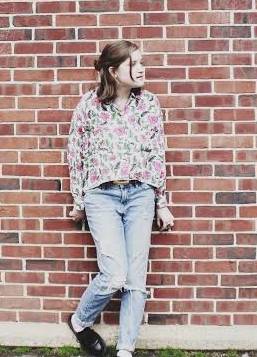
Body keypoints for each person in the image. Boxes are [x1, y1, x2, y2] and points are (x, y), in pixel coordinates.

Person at [65, 40, 175, 357]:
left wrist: (161, 202)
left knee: (136, 280)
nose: (141, 69)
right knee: (114, 274)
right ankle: (79, 321)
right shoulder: (89, 106)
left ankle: (125, 350)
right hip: (101, 196)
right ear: (113, 71)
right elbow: (76, 155)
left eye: (142, 62)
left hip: (140, 194)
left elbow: (156, 154)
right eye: (134, 63)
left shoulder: (149, 104)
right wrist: (79, 201)